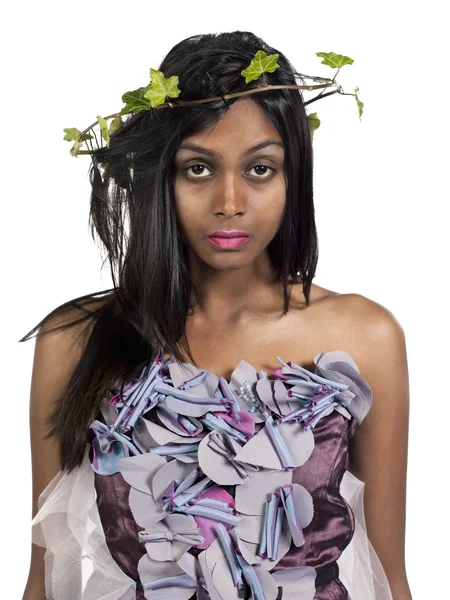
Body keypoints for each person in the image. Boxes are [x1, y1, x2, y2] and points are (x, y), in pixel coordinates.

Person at [20, 30, 412, 600]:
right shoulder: (75, 338)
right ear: (163, 178)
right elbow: (46, 584)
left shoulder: (366, 336)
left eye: (260, 169)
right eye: (199, 169)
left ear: (293, 176)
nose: (230, 201)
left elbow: (390, 578)